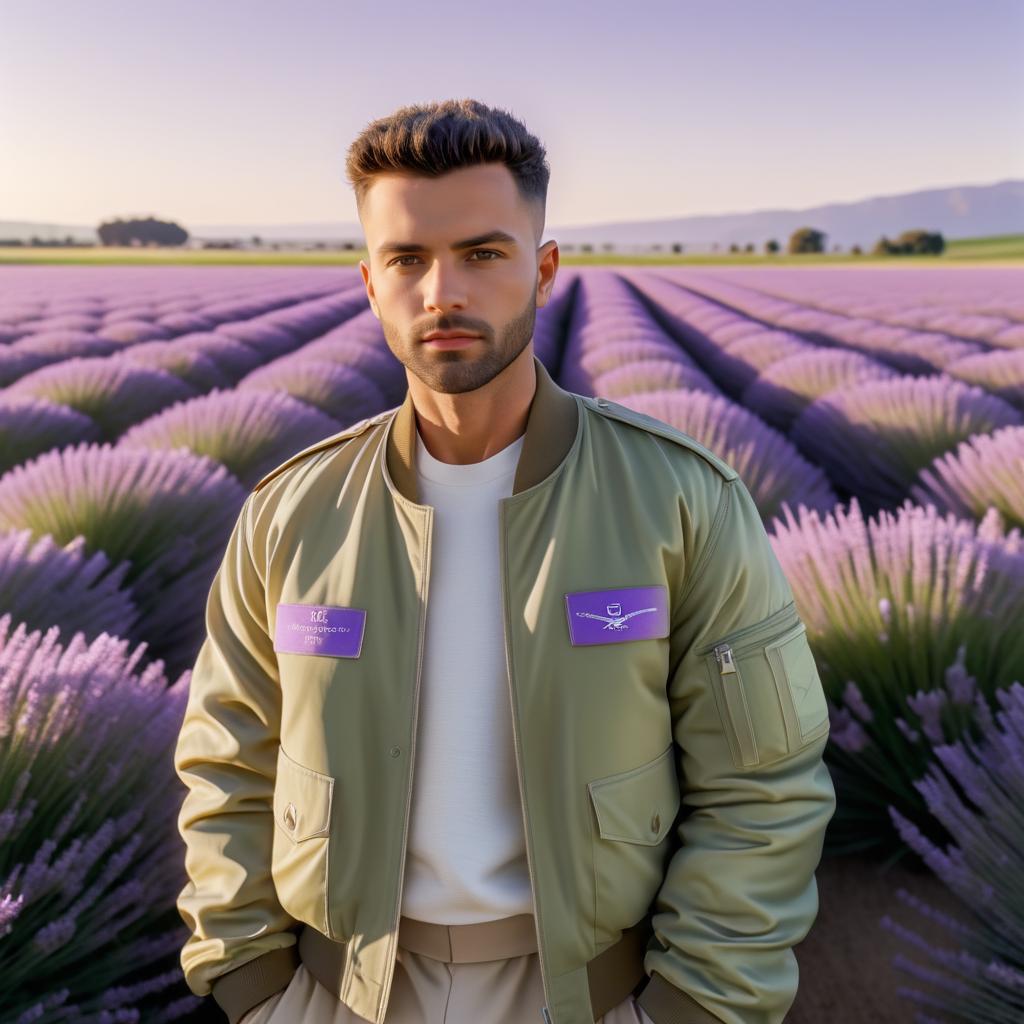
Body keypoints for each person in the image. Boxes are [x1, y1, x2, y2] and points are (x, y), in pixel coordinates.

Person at [173, 98, 837, 1024]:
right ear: (369, 282)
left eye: (483, 253)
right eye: (407, 259)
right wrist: (253, 989)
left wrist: (689, 1008)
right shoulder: (291, 514)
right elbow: (225, 764)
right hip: (335, 999)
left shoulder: (681, 501)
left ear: (545, 270)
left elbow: (763, 786)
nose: (443, 291)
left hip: (590, 999)